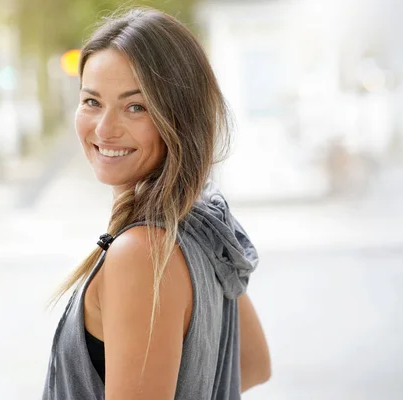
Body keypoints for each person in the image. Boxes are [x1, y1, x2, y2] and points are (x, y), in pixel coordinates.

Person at [43, 7, 270, 400]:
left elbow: (252, 365)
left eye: (136, 107)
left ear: (178, 116)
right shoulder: (200, 220)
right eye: (92, 101)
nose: (104, 128)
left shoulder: (141, 254)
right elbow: (251, 363)